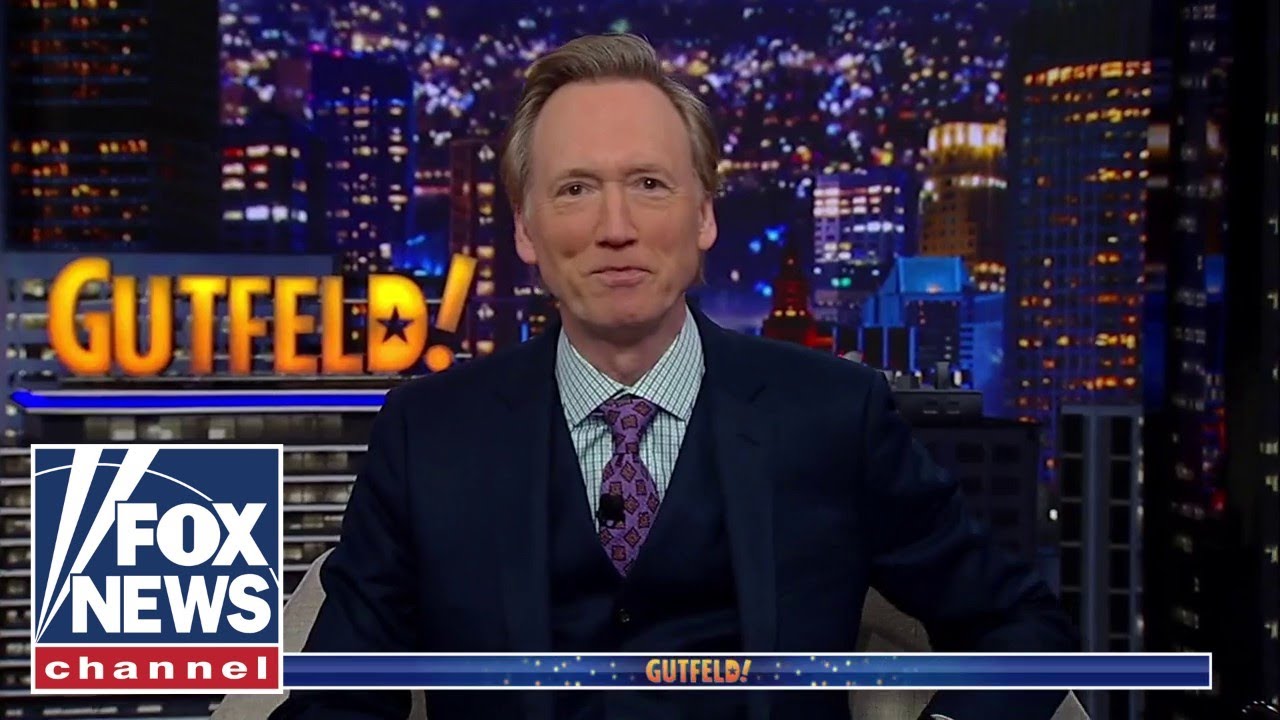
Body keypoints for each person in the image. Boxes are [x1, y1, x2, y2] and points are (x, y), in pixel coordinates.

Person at [269, 32, 1077, 720]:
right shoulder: (430, 433)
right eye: (575, 189)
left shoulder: (834, 415)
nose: (616, 228)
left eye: (649, 184)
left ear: (704, 214)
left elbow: (1023, 628)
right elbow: (338, 700)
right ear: (525, 230)